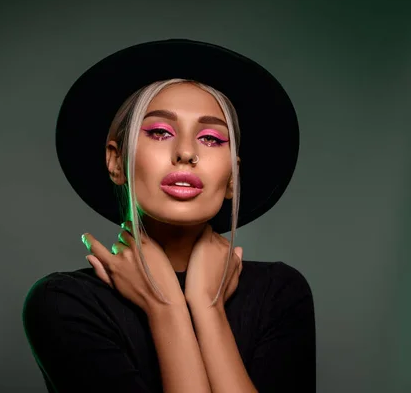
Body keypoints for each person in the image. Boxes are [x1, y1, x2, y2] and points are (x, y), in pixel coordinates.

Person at [22, 39, 315, 393]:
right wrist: (166, 309)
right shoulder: (64, 303)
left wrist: (209, 309)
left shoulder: (279, 293)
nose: (186, 152)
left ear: (234, 177)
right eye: (160, 132)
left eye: (210, 138)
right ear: (116, 161)